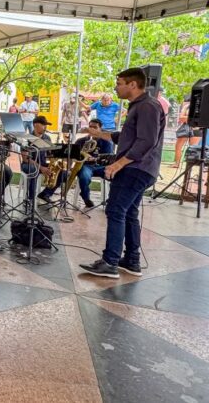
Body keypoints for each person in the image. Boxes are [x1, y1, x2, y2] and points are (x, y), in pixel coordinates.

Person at [80, 68, 166, 279]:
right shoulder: (140, 106)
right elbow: (126, 137)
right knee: (129, 213)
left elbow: (146, 141)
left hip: (136, 168)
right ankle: (131, 261)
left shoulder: (147, 106)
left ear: (132, 84)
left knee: (116, 210)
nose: (115, 88)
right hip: (140, 168)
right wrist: (98, 133)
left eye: (119, 83)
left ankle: (110, 262)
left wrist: (117, 164)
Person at [75, 119, 115, 207]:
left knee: (116, 176)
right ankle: (86, 197)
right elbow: (74, 156)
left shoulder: (106, 142)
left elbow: (108, 158)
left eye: (95, 127)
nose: (92, 129)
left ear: (100, 129)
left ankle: (112, 199)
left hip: (101, 167)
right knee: (84, 176)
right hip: (86, 166)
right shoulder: (80, 141)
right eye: (90, 127)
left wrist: (95, 159)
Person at [20, 116, 58, 205]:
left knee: (62, 173)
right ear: (35, 125)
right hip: (28, 164)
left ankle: (45, 194)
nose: (45, 127)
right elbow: (25, 158)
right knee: (34, 170)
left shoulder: (47, 138)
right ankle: (30, 199)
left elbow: (50, 154)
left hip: (42, 164)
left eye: (46, 125)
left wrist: (54, 157)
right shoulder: (26, 138)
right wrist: (41, 168)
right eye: (43, 125)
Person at [173, 96, 200, 169]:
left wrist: (187, 117)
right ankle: (177, 163)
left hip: (197, 129)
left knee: (193, 148)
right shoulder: (186, 106)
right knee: (178, 146)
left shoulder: (201, 107)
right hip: (185, 128)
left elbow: (199, 119)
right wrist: (192, 118)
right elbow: (181, 118)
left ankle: (189, 166)